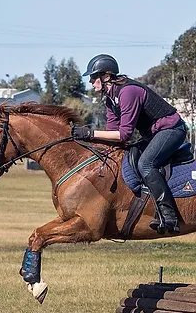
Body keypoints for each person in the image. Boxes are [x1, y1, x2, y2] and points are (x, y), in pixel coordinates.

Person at [72, 54, 187, 234]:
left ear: (106, 76)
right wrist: (89, 141)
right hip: (153, 135)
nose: (91, 82)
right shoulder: (110, 98)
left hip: (172, 129)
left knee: (146, 164)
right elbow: (112, 131)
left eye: (93, 77)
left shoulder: (128, 92)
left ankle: (169, 217)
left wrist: (90, 133)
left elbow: (125, 134)